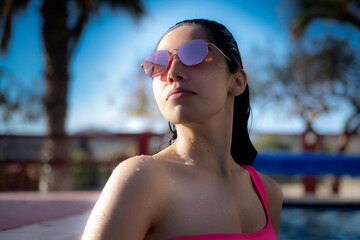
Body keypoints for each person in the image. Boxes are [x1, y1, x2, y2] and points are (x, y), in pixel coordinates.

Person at [82, 19, 283, 240]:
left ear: (236, 81)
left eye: (194, 54)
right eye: (158, 63)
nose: (173, 72)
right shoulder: (142, 179)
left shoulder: (267, 193)